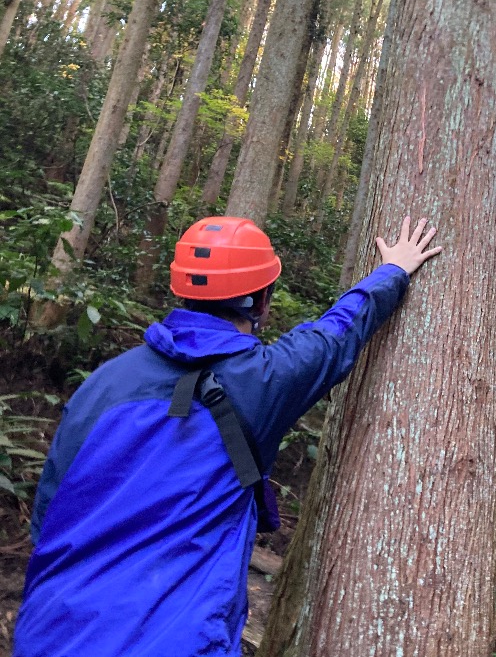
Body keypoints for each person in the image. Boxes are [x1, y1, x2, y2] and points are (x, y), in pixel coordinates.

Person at [14, 214, 442, 657]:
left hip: (51, 630)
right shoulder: (261, 383)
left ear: (181, 291)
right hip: (173, 640)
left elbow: (49, 513)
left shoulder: (102, 384)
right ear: (262, 302)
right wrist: (393, 271)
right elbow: (335, 334)